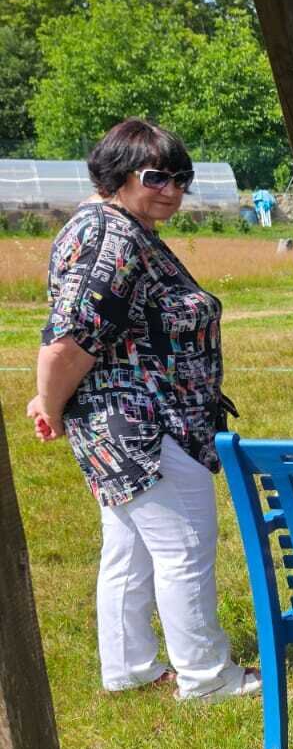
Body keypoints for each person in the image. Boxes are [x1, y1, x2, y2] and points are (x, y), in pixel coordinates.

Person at [28, 118, 258, 701]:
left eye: (182, 178)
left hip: (130, 420)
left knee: (129, 549)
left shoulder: (119, 227)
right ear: (118, 174)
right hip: (143, 425)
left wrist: (52, 400)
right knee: (184, 547)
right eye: (157, 176)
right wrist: (49, 404)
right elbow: (68, 340)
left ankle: (129, 667)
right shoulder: (111, 238)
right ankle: (207, 677)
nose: (172, 190)